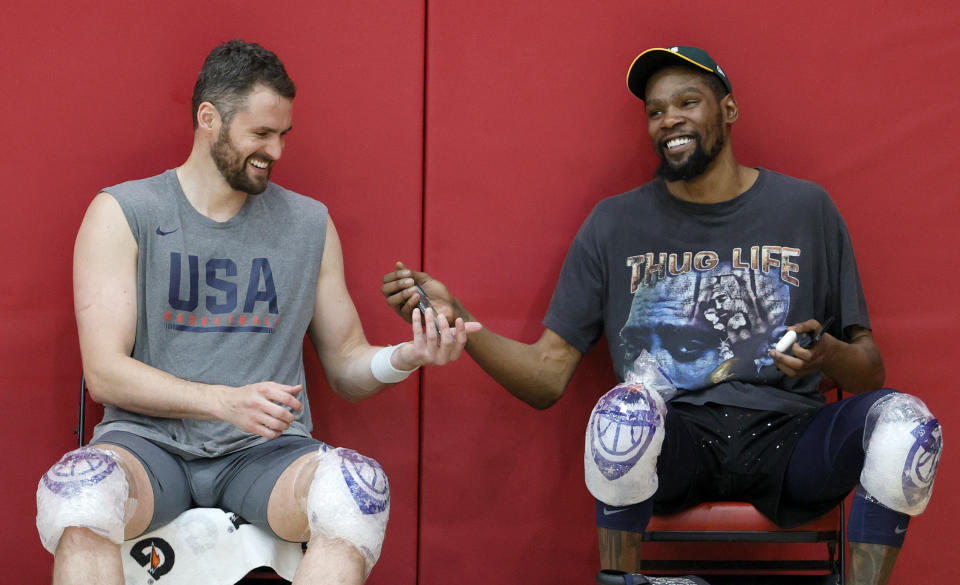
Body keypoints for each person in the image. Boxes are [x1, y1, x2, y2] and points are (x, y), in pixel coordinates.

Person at [381, 46, 942, 585]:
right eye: (655, 110)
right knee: (621, 411)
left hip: (791, 438)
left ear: (728, 109)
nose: (669, 119)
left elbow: (869, 370)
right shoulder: (613, 224)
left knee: (908, 424)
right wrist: (461, 319)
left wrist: (826, 354)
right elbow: (547, 377)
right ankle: (621, 582)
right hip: (678, 439)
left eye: (687, 102)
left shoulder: (806, 208)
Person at [36, 39, 481, 585]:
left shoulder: (308, 223)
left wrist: (408, 356)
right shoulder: (125, 212)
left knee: (355, 492)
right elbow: (105, 373)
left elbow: (344, 365)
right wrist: (222, 402)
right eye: (261, 134)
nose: (276, 150)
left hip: (264, 456)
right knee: (78, 495)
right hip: (148, 447)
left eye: (283, 135)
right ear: (208, 119)